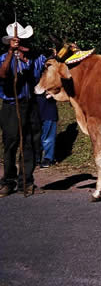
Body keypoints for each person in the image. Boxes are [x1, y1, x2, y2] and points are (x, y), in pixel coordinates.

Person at [0, 22, 44, 197]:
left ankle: (26, 181)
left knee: (30, 142)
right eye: (21, 41)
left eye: (26, 41)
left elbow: (48, 66)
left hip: (30, 104)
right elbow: (3, 74)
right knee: (10, 143)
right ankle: (7, 181)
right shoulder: (4, 58)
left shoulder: (36, 58)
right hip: (12, 106)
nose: (26, 44)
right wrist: (11, 53)